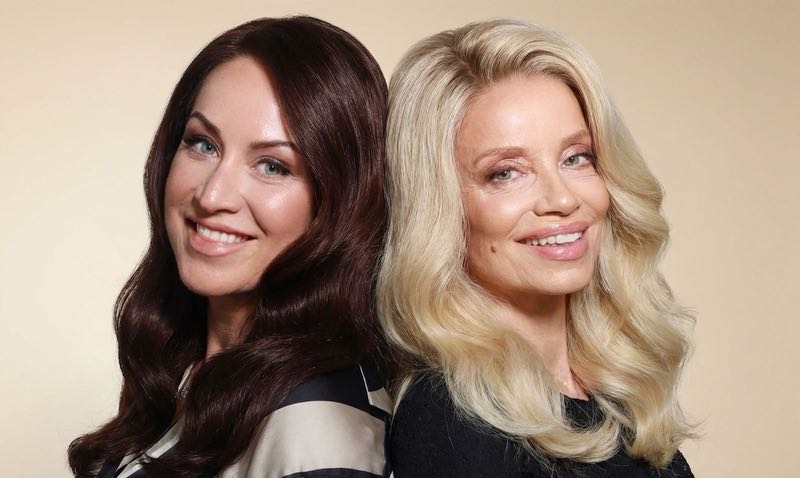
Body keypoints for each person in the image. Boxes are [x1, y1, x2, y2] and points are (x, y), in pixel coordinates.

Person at [68, 16, 390, 477]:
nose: (212, 195)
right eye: (203, 144)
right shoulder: (185, 369)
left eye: (273, 166)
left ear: (340, 201)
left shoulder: (316, 429)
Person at [378, 19, 695, 477]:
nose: (563, 199)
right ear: (439, 207)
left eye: (576, 157)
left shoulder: (613, 394)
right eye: (506, 172)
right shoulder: (450, 420)